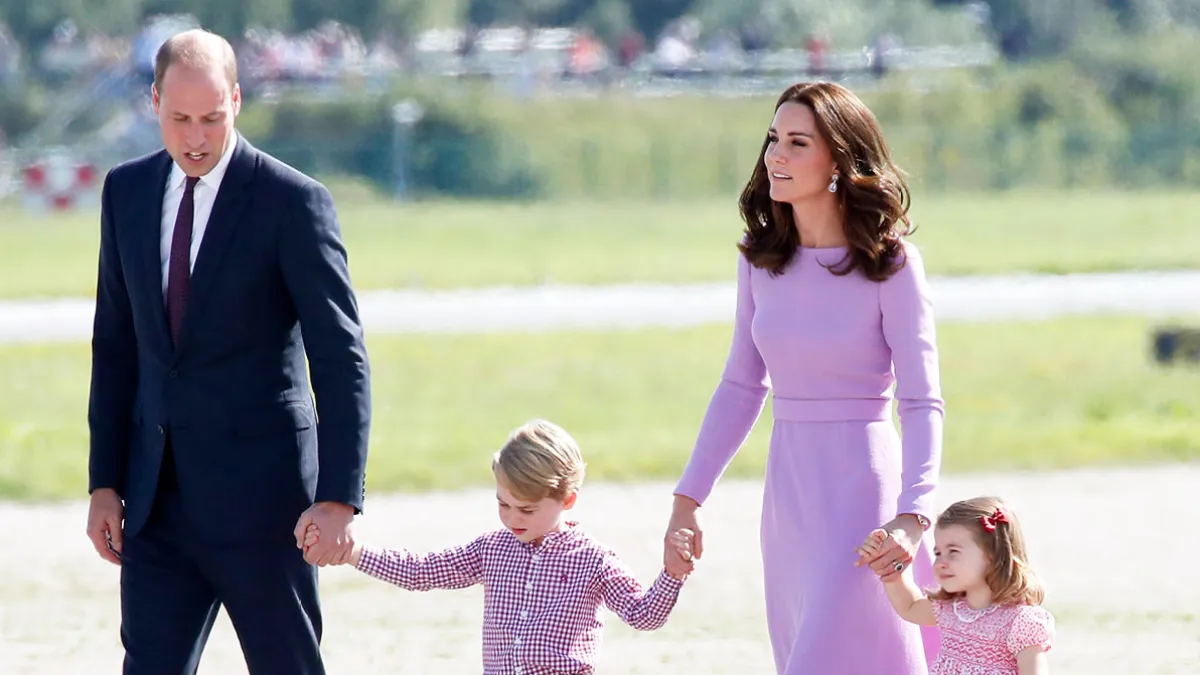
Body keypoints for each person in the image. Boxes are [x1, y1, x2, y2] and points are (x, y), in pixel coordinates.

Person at [84, 28, 371, 675]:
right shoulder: (125, 194)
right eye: (179, 118)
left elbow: (340, 355)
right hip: (156, 506)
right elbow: (116, 345)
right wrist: (104, 482)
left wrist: (338, 497)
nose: (196, 137)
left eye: (212, 118)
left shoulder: (292, 202)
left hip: (268, 510)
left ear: (237, 100)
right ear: (153, 101)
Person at [663, 80, 945, 674]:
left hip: (864, 493)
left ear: (839, 161)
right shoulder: (758, 259)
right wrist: (688, 500)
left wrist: (913, 515)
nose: (775, 157)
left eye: (796, 143)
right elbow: (742, 385)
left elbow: (921, 401)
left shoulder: (890, 264)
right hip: (788, 494)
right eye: (772, 140)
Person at [304, 419, 695, 674]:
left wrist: (672, 575)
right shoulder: (492, 550)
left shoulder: (593, 560)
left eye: (527, 509)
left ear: (568, 500)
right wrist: (354, 552)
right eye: (502, 504)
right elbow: (422, 571)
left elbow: (644, 615)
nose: (512, 518)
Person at [857, 497, 1055, 675]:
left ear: (992, 555)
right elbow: (910, 606)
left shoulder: (1020, 622)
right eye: (938, 553)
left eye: (953, 551)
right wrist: (892, 572)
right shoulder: (953, 609)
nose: (941, 562)